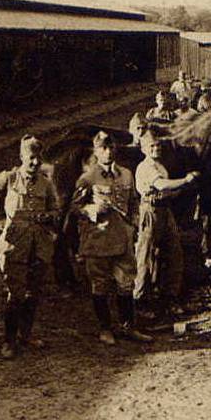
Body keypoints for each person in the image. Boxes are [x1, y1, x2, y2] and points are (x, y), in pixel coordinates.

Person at [0, 135, 62, 359]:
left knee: (33, 292)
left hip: (39, 245)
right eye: (31, 158)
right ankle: (9, 341)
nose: (35, 163)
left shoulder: (46, 183)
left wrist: (47, 216)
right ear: (22, 157)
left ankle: (26, 334)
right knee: (15, 293)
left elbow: (57, 210)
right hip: (15, 246)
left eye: (38, 158)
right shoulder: (10, 178)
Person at [72, 131, 152, 345]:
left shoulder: (126, 174)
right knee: (100, 286)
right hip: (98, 241)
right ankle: (105, 328)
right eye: (103, 148)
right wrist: (92, 209)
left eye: (111, 148)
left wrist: (134, 223)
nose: (108, 152)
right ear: (96, 152)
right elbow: (75, 208)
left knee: (126, 285)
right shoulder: (87, 178)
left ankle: (128, 327)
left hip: (122, 239)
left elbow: (134, 202)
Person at [133, 132, 199, 318]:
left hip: (164, 210)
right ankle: (140, 301)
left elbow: (167, 191)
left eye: (158, 146)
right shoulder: (144, 167)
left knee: (174, 253)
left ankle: (170, 298)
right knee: (145, 257)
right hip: (151, 211)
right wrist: (185, 180)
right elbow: (161, 185)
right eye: (151, 146)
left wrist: (183, 188)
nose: (156, 149)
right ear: (143, 148)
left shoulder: (160, 165)